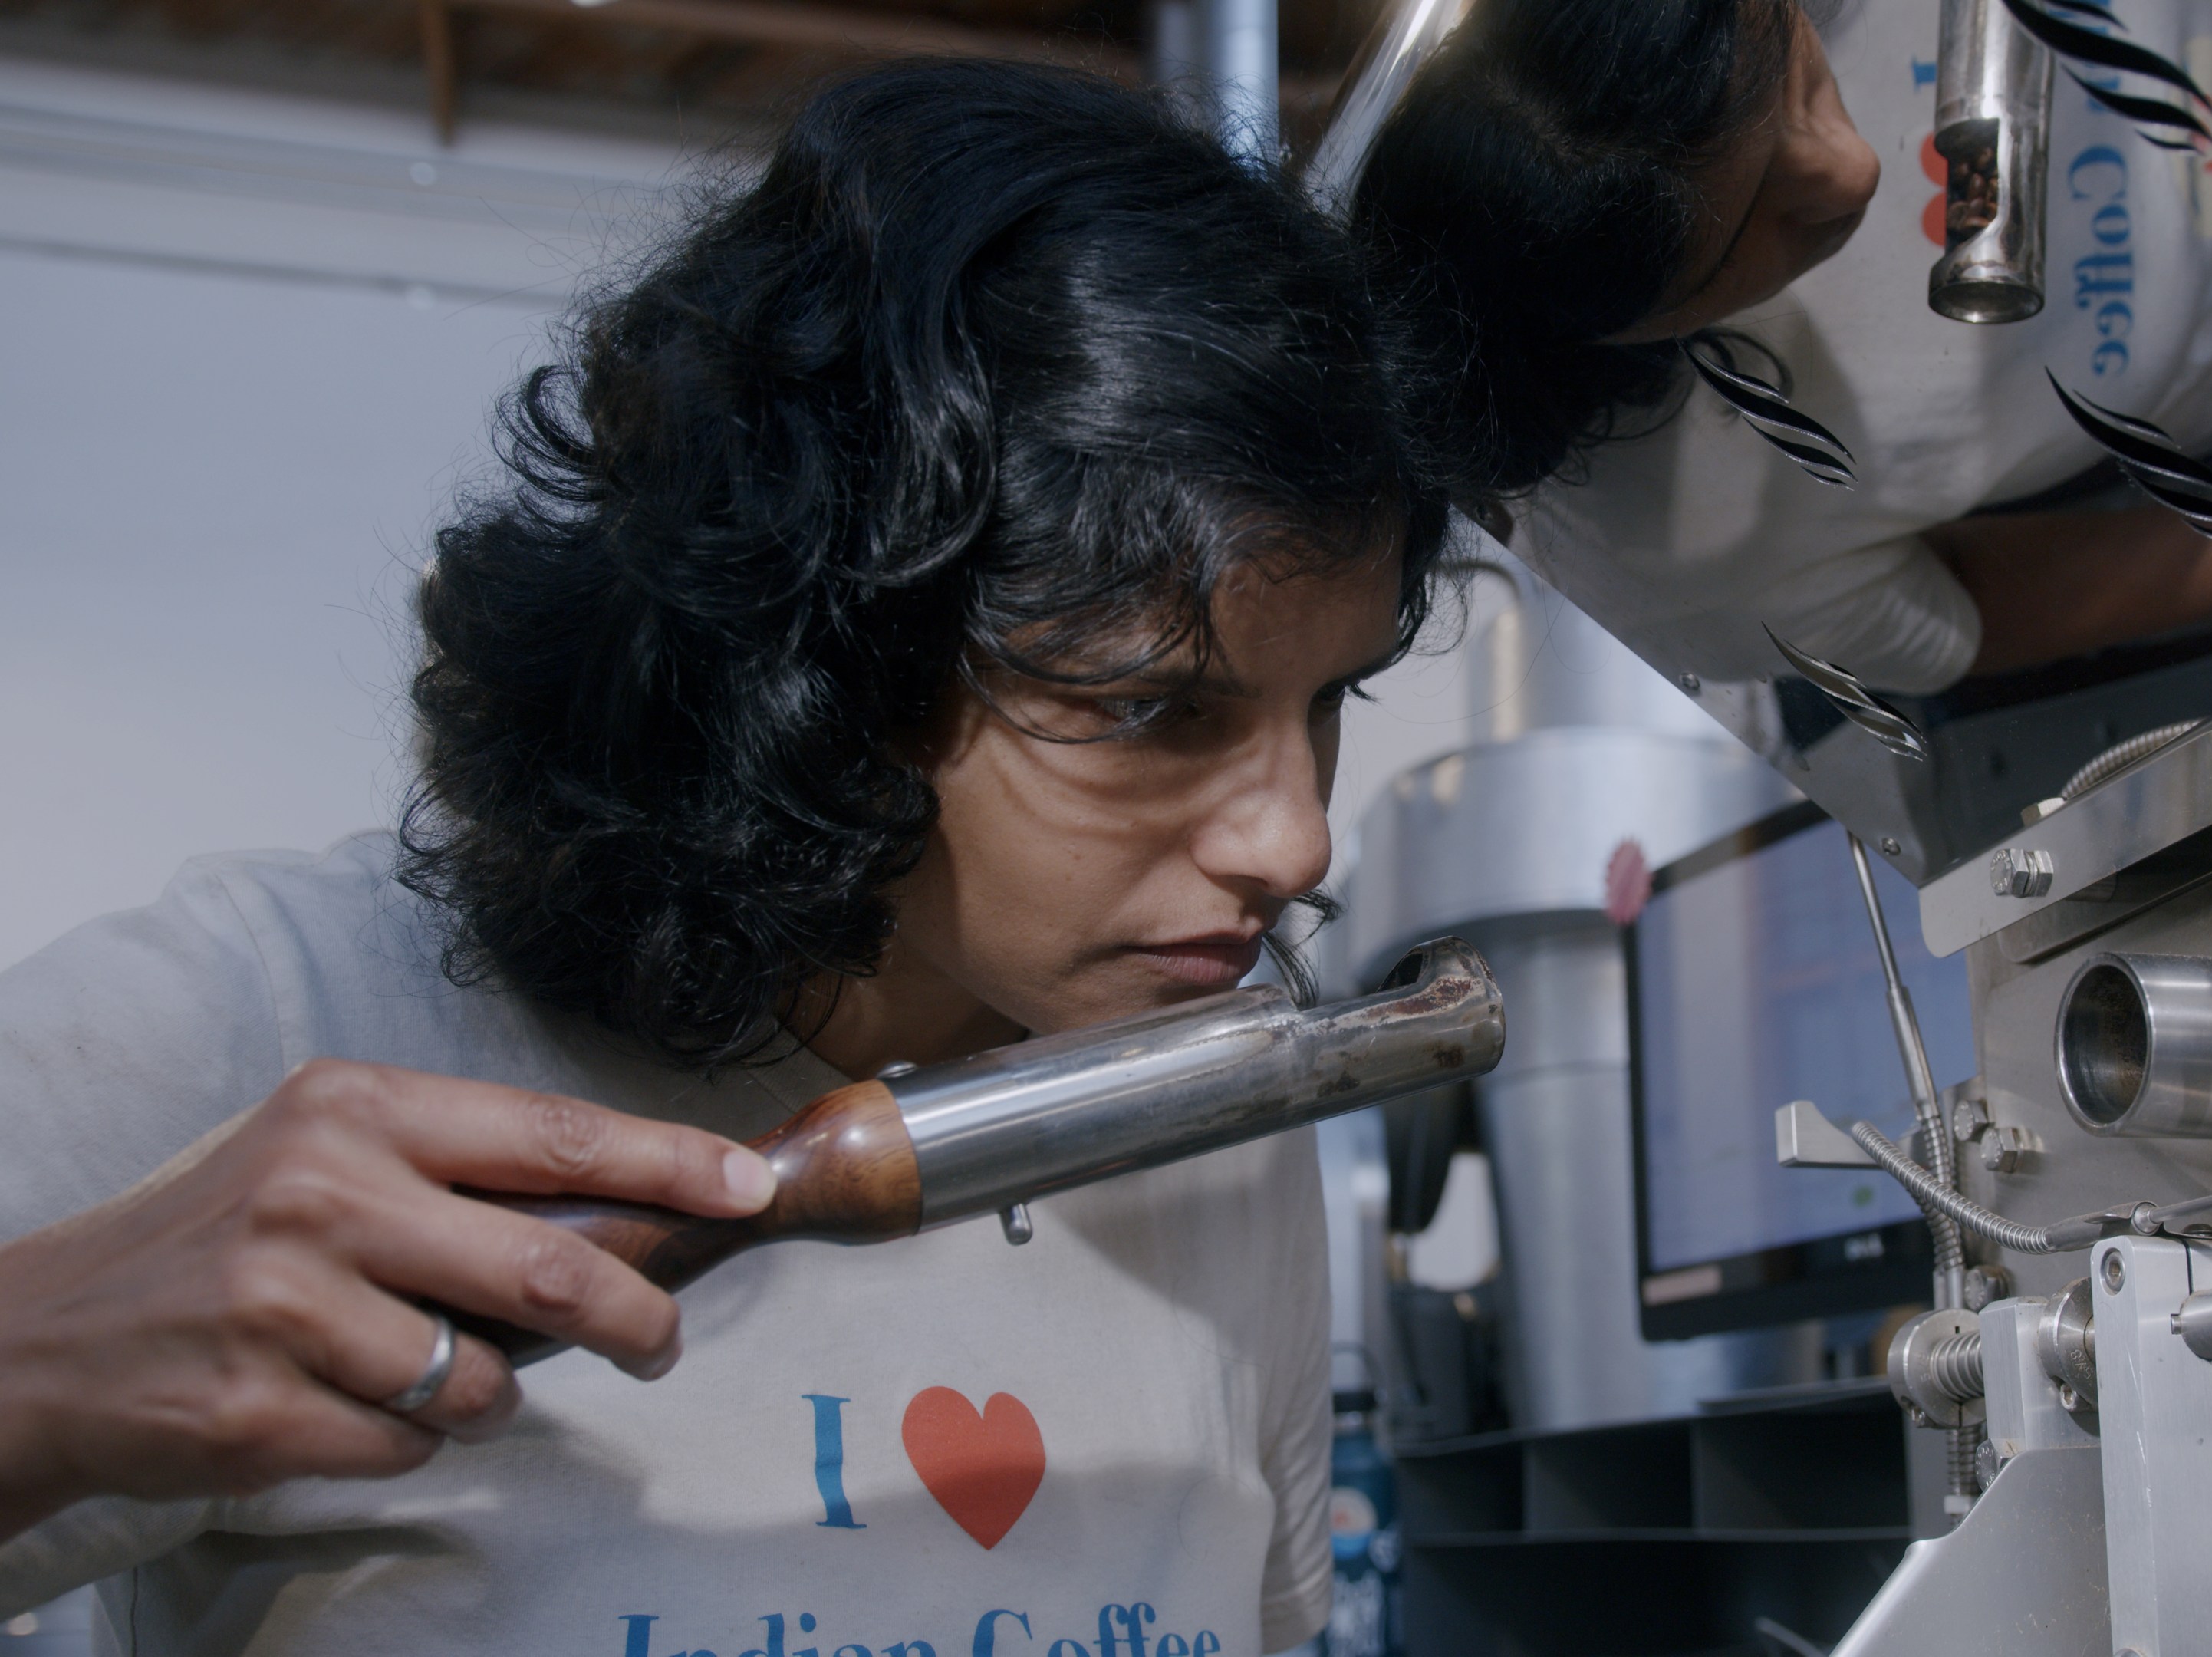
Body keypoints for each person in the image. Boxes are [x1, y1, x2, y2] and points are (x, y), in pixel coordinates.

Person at [0, 59, 1471, 1653]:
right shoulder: (254, 1025)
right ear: (827, 663)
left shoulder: (1206, 1116)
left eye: (1327, 704)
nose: (1298, 838)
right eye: (1152, 710)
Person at [1354, 0, 2212, 693]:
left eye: (1787, 67)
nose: (1851, 167)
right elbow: (1983, 602)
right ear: (1624, 330)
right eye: (1756, 225)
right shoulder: (1672, 557)